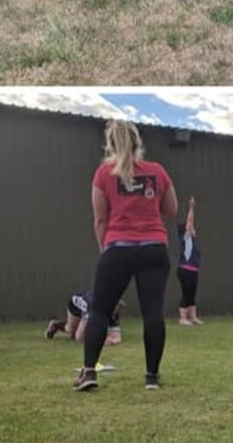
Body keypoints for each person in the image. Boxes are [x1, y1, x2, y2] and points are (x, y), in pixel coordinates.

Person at [76, 119, 176, 393]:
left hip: (117, 248)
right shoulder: (157, 171)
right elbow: (171, 209)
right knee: (153, 313)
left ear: (110, 143)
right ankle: (152, 377)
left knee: (99, 310)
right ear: (138, 142)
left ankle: (88, 373)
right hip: (153, 248)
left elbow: (100, 219)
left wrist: (104, 248)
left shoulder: (103, 174)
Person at [46, 292, 124, 345]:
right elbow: (79, 337)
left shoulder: (114, 311)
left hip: (89, 308)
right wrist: (101, 341)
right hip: (75, 306)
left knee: (82, 331)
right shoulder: (93, 307)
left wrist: (112, 341)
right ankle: (55, 325)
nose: (116, 312)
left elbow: (117, 337)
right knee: (71, 330)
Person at [177, 196, 202, 326]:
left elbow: (191, 224)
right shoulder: (186, 238)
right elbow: (190, 222)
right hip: (185, 269)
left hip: (193, 270)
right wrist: (191, 207)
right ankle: (182, 318)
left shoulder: (193, 240)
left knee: (192, 293)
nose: (192, 228)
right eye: (190, 227)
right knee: (186, 293)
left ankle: (193, 317)